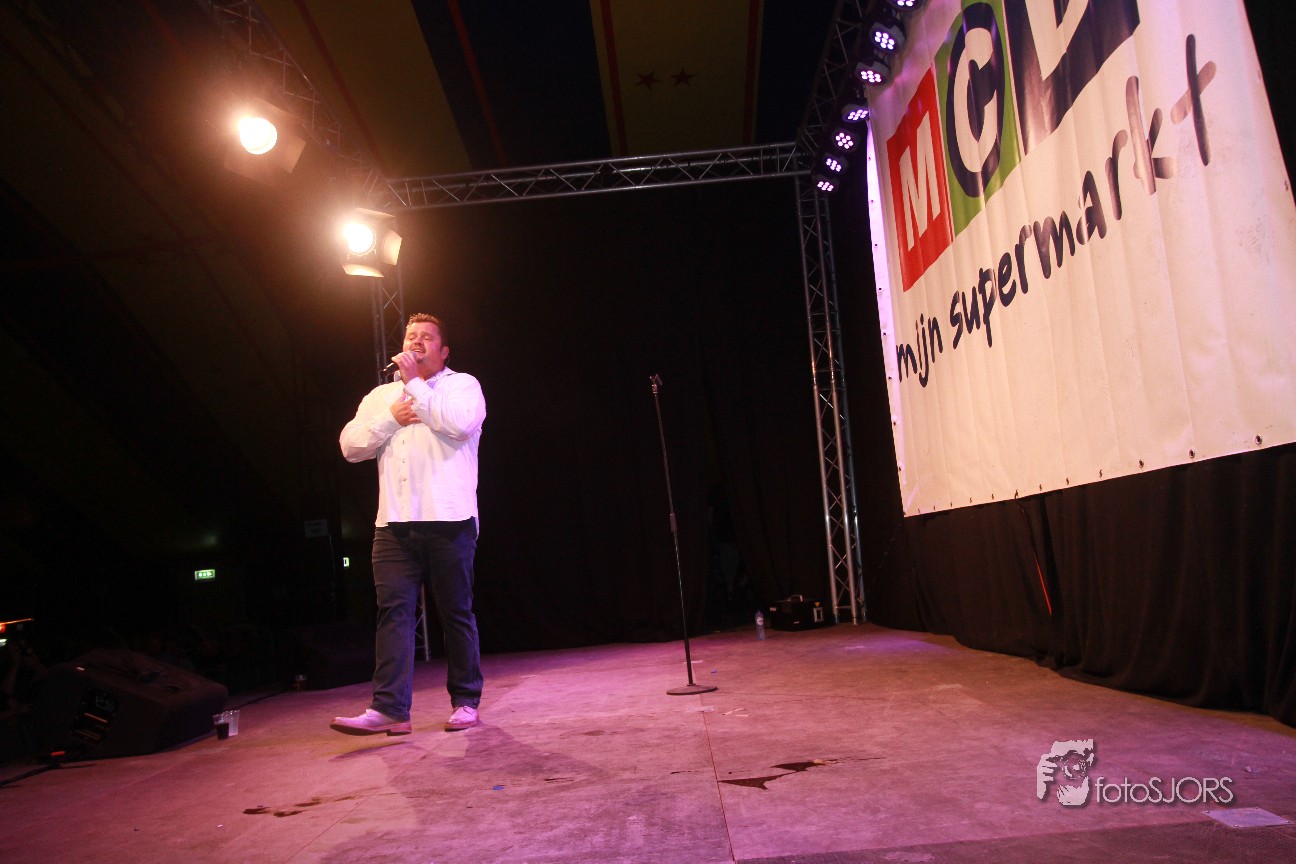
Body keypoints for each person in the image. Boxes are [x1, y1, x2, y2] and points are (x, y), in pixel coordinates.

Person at [332, 313, 487, 734]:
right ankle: (390, 709)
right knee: (393, 613)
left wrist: (416, 384)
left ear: (444, 351)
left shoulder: (462, 385)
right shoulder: (381, 396)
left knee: (455, 612)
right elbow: (350, 446)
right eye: (410, 336)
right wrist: (391, 418)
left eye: (426, 337)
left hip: (449, 519)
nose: (416, 341)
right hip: (394, 523)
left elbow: (459, 425)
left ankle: (466, 701)